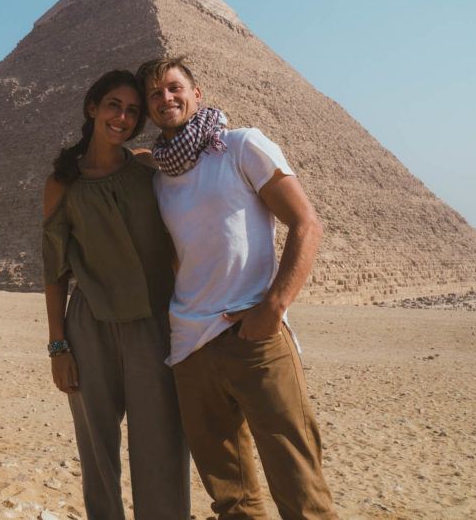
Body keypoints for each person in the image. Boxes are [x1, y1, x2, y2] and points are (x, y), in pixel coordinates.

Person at [136, 56, 338, 520]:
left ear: (196, 93)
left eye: (173, 88)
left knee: (300, 487)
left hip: (255, 338)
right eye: (154, 94)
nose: (165, 98)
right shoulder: (160, 177)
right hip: (190, 347)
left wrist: (274, 306)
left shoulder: (242, 145)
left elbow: (307, 224)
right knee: (233, 499)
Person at [41, 69, 190, 520]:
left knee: (162, 449)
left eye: (131, 111)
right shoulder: (62, 184)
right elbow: (54, 272)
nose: (122, 118)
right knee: (97, 456)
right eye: (113, 106)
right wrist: (57, 346)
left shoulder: (147, 168)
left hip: (152, 326)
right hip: (89, 329)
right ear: (93, 108)